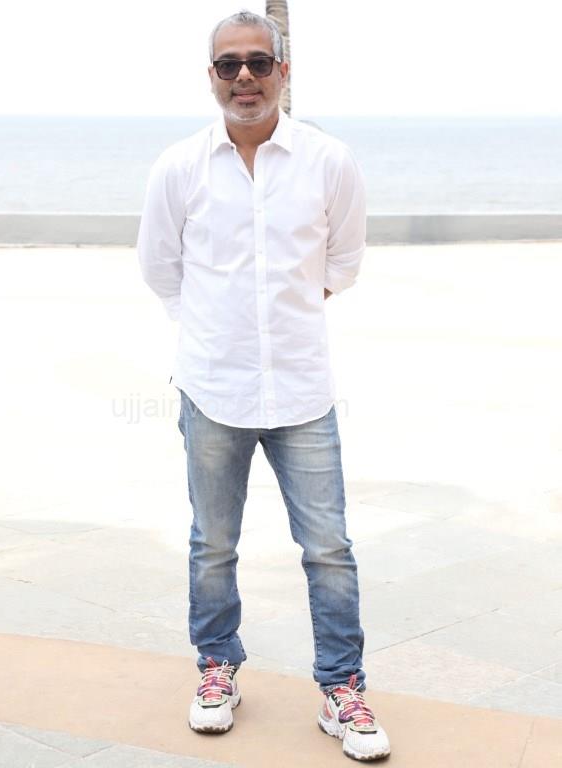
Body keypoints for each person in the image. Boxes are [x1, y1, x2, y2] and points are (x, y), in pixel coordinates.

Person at [137, 10, 391, 763]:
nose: (243, 76)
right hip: (212, 388)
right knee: (212, 544)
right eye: (229, 65)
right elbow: (160, 267)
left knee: (329, 547)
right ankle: (218, 668)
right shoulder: (179, 167)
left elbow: (344, 261)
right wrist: (210, 330)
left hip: (303, 391)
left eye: (257, 62)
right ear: (211, 77)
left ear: (283, 70)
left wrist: (285, 317)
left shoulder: (328, 160)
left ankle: (342, 688)